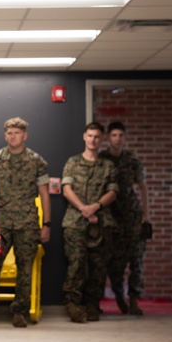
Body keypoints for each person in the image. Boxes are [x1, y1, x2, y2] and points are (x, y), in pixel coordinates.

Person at [0, 117, 50, 328]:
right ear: (5, 135)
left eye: (16, 133)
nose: (12, 136)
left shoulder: (37, 161)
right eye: (9, 133)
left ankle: (19, 312)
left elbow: (44, 195)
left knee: (25, 269)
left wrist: (47, 224)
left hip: (28, 223)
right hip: (2, 223)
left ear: (24, 135)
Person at [61, 122, 118, 323]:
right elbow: (66, 189)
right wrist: (84, 209)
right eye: (90, 136)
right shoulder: (73, 163)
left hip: (100, 222)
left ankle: (93, 304)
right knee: (76, 264)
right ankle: (73, 304)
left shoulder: (108, 166)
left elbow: (113, 191)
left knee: (98, 266)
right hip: (75, 222)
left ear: (101, 139)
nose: (93, 140)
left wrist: (95, 207)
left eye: (96, 136)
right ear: (84, 137)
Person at [98, 122, 149, 316]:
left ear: (124, 138)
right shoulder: (102, 159)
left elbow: (142, 187)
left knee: (136, 260)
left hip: (132, 216)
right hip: (110, 216)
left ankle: (134, 300)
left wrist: (146, 215)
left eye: (121, 135)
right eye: (114, 135)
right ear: (108, 138)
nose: (117, 139)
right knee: (115, 262)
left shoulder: (132, 160)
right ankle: (119, 295)